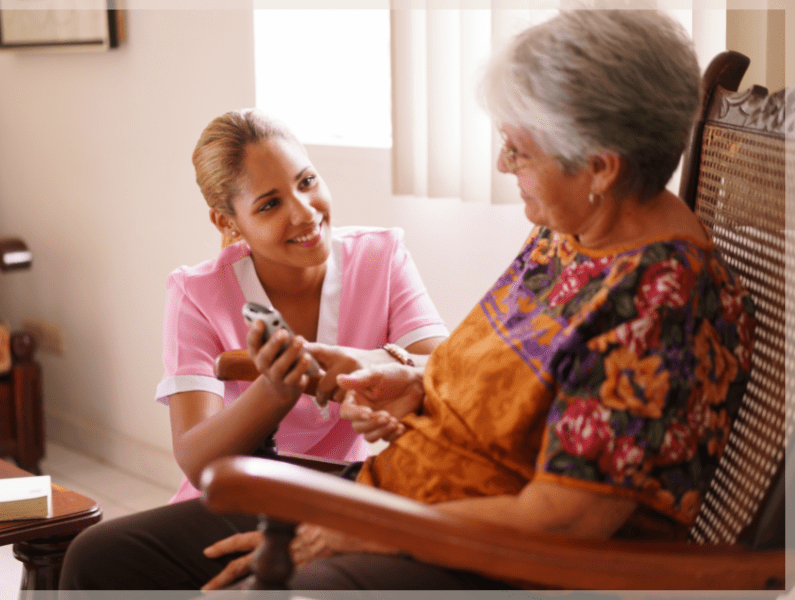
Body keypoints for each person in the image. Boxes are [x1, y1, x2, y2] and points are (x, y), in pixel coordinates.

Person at [60, 9, 755, 592]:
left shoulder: (656, 306)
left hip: (486, 556)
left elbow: (565, 520)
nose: (502, 167)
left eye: (517, 151)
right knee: (103, 559)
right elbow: (521, 385)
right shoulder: (575, 232)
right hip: (397, 491)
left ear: (600, 167)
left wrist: (368, 528)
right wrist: (413, 382)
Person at [157, 109, 448, 504]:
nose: (305, 212)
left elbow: (447, 372)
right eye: (270, 204)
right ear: (227, 223)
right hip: (233, 499)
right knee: (95, 551)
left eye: (307, 182)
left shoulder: (382, 256)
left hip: (336, 498)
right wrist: (275, 391)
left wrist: (369, 360)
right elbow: (195, 460)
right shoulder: (196, 293)